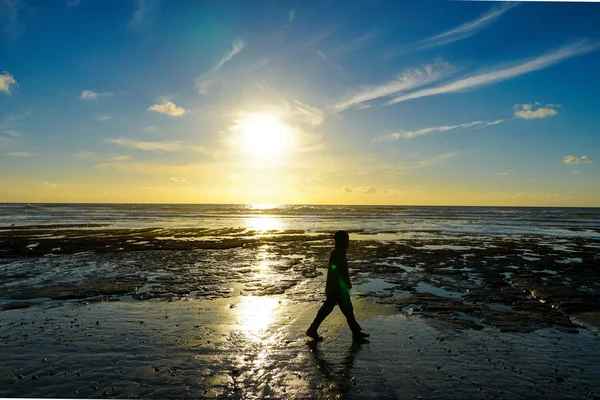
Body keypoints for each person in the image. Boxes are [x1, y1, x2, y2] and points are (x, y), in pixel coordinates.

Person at [306, 230, 369, 341]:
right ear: (341, 241)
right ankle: (312, 329)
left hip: (336, 288)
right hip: (337, 289)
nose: (348, 242)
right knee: (337, 309)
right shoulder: (338, 253)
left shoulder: (338, 251)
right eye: (346, 240)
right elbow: (337, 272)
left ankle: (356, 332)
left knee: (344, 309)